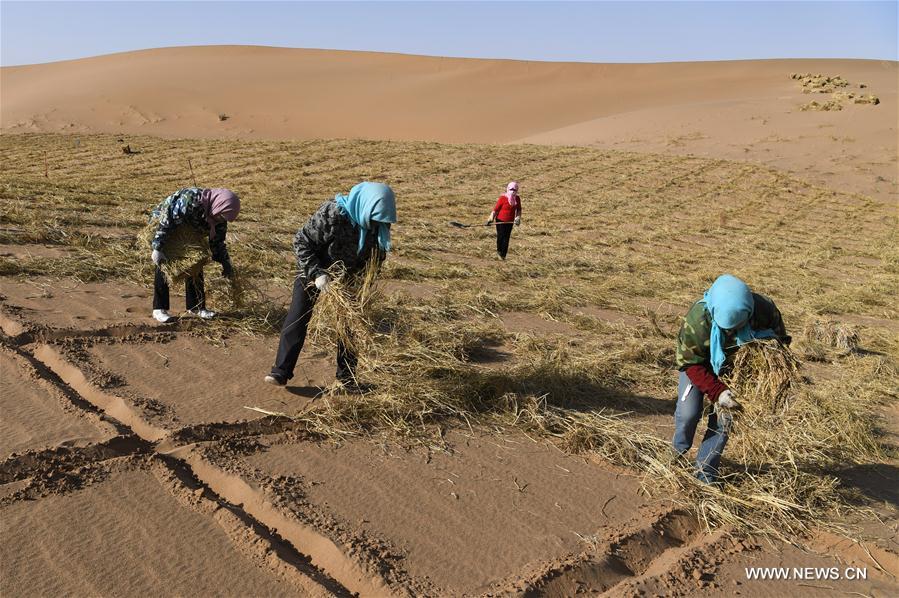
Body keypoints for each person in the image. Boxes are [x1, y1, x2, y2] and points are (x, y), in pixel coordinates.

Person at [264, 182, 397, 389]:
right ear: (367, 205)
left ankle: (347, 378)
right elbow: (301, 241)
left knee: (350, 324)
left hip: (349, 277)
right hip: (314, 269)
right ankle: (281, 370)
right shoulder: (334, 213)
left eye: (380, 220)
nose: (376, 224)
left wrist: (363, 285)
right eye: (374, 218)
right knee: (299, 315)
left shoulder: (378, 226)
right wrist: (317, 274)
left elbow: (376, 258)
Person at [673, 274, 789, 483]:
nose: (732, 333)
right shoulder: (698, 320)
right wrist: (717, 391)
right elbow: (690, 362)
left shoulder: (764, 310)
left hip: (736, 369)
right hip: (699, 365)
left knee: (724, 421)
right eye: (726, 329)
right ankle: (677, 455)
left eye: (737, 327)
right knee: (688, 413)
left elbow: (780, 342)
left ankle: (705, 474)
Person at [149, 187, 240, 323]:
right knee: (165, 259)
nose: (221, 220)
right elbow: (167, 219)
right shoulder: (191, 201)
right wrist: (157, 247)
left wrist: (226, 264)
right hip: (165, 223)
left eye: (224, 218)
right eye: (221, 216)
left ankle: (196, 307)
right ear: (218, 205)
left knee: (196, 259)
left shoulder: (219, 219)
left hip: (188, 231)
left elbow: (217, 244)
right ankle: (159, 308)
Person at [486, 181, 522, 260]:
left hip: (510, 222)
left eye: (515, 190)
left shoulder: (517, 199)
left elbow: (519, 209)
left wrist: (518, 218)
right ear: (507, 189)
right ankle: (499, 251)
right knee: (501, 236)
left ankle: (503, 255)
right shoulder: (502, 198)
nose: (513, 191)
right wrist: (490, 218)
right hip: (500, 221)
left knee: (506, 238)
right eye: (511, 189)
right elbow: (496, 209)